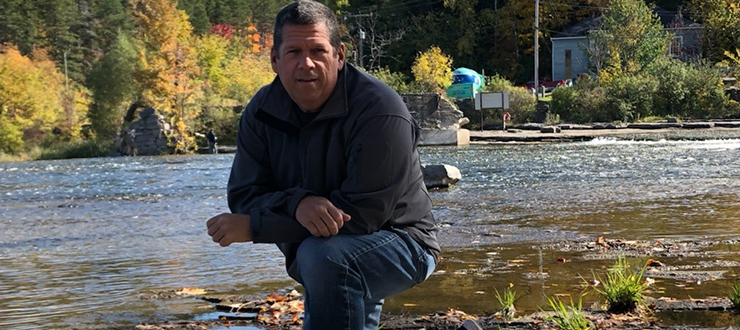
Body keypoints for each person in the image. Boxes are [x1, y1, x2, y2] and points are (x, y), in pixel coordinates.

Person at [206, 1, 439, 329]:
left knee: (323, 258)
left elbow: (365, 215)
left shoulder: (380, 110)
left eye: (318, 50)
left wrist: (257, 227)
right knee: (324, 260)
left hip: (404, 241)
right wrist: (298, 203)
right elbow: (245, 195)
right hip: (323, 246)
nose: (307, 63)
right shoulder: (261, 112)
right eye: (294, 52)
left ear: (339, 55)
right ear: (274, 59)